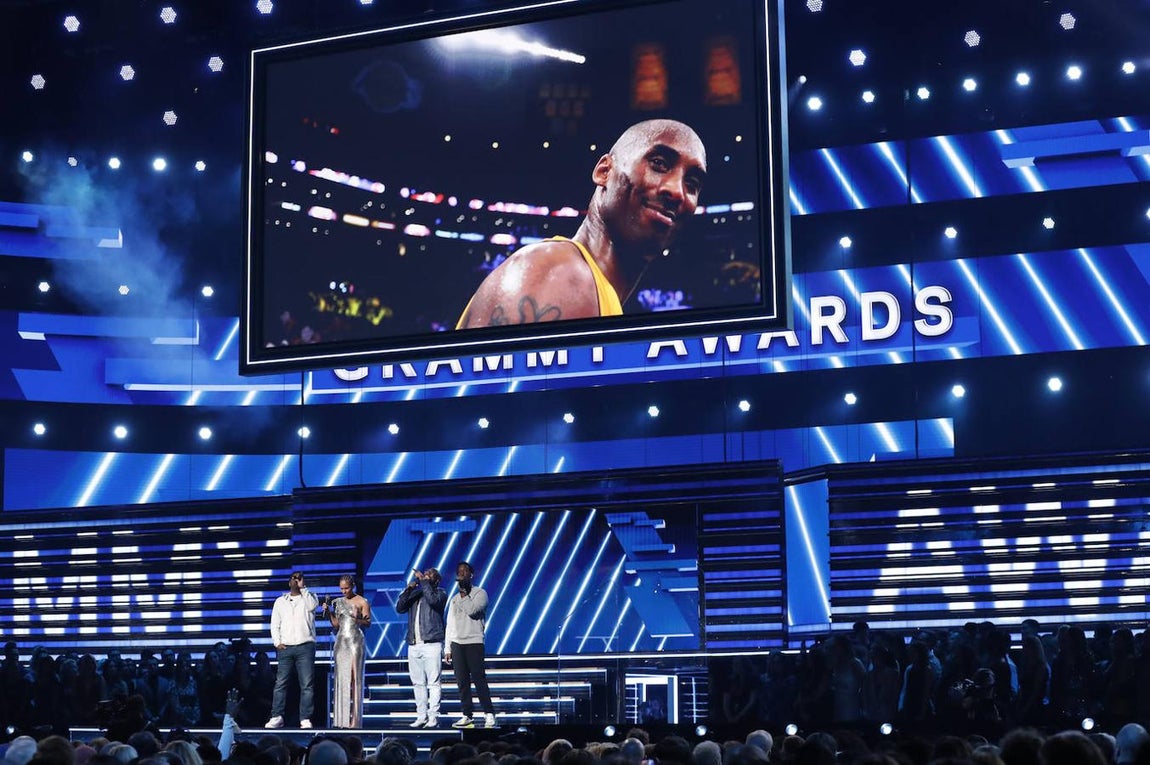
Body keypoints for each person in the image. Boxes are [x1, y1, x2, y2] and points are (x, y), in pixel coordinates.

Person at [457, 118, 707, 328]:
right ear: (604, 172)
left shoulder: (594, 291)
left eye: (692, 184)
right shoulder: (562, 276)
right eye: (659, 164)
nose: (677, 192)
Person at [444, 561, 496, 728]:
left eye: (465, 571)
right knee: (462, 681)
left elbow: (473, 611)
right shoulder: (453, 599)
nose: (462, 574)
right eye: (459, 572)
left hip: (474, 641)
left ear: (471, 575)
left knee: (479, 678)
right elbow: (450, 624)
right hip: (457, 643)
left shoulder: (480, 593)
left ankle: (489, 713)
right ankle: (467, 715)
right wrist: (447, 647)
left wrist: (464, 595)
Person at [265, 571, 319, 729]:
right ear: (289, 582)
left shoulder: (310, 597)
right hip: (286, 647)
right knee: (280, 683)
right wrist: (277, 642)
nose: (296, 581)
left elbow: (312, 607)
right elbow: (275, 623)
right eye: (294, 578)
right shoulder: (280, 601)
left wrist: (304, 589)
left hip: (305, 646)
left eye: (299, 578)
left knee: (307, 684)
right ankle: (277, 716)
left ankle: (305, 718)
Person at [394, 567, 447, 728]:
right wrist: (409, 588)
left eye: (428, 575)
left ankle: (433, 716)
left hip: (432, 643)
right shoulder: (416, 594)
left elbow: (432, 600)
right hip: (414, 644)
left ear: (436, 580)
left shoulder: (441, 593)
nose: (424, 577)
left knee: (433, 683)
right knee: (418, 683)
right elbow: (400, 607)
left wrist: (423, 582)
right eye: (424, 575)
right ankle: (421, 715)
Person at [325, 574, 371, 728]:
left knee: (356, 680)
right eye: (342, 589)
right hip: (341, 642)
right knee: (341, 680)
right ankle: (341, 721)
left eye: (347, 588)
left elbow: (368, 622)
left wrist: (355, 619)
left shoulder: (362, 601)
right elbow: (336, 624)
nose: (344, 591)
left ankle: (355, 722)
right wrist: (329, 613)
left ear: (353, 586)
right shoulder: (337, 602)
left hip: (355, 641)